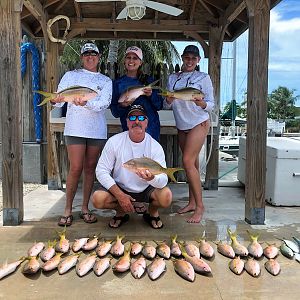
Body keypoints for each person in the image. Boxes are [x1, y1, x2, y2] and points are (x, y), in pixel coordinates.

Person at [51, 42, 112, 226]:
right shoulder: (70, 76)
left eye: (94, 53)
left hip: (96, 131)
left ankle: (85, 208)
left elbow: (104, 104)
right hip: (75, 128)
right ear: (82, 57)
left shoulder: (105, 81)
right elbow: (60, 102)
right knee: (75, 168)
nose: (90, 56)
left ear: (99, 57)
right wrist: (55, 100)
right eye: (86, 53)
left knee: (89, 169)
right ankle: (68, 210)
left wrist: (86, 103)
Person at [92, 104, 172, 229]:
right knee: (98, 199)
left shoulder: (155, 146)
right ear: (127, 122)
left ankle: (152, 212)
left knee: (166, 196)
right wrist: (120, 195)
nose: (136, 121)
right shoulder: (114, 141)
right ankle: (121, 211)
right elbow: (101, 170)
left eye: (141, 118)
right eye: (132, 118)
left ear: (146, 122)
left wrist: (151, 178)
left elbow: (163, 180)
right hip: (121, 187)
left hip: (147, 189)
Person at [165, 45, 214, 223]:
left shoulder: (203, 77)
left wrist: (200, 103)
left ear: (198, 60)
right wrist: (168, 99)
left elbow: (211, 104)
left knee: (186, 161)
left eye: (194, 58)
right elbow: (168, 104)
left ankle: (200, 206)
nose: (190, 61)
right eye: (187, 57)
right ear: (182, 58)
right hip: (182, 125)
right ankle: (192, 202)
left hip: (198, 123)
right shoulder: (173, 78)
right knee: (190, 165)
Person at [110, 46, 163, 141]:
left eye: (135, 58)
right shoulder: (117, 83)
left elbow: (159, 105)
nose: (131, 61)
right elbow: (115, 112)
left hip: (151, 132)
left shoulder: (149, 81)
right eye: (128, 57)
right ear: (124, 60)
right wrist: (122, 106)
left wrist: (151, 95)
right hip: (129, 131)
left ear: (140, 62)